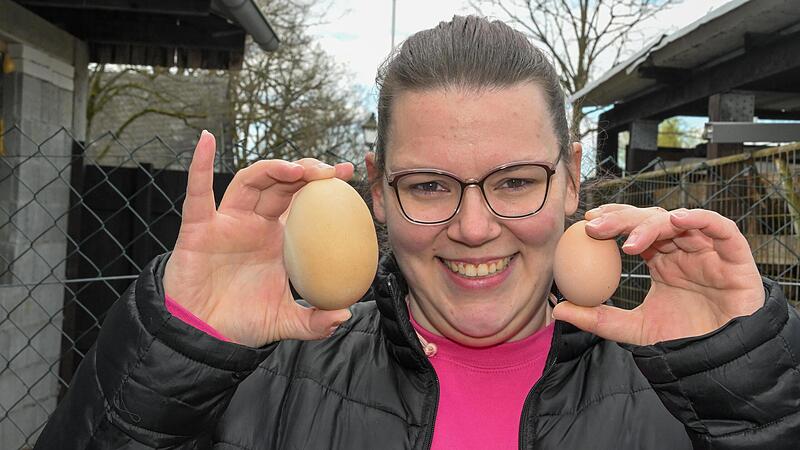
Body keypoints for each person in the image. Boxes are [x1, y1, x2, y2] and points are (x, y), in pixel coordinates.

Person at [36, 15, 799, 450]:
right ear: (377, 189)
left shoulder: (689, 391)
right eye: (429, 185)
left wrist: (752, 382)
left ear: (571, 177)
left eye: (515, 181)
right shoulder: (261, 387)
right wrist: (176, 347)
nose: (473, 228)